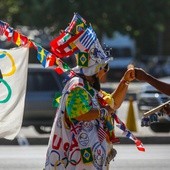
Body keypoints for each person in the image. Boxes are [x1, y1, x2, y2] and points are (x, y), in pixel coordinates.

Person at [44, 15, 135, 169]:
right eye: (102, 69)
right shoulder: (77, 86)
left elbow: (113, 104)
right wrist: (102, 112)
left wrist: (125, 81)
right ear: (94, 70)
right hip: (75, 160)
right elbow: (79, 113)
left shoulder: (90, 88)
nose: (104, 73)